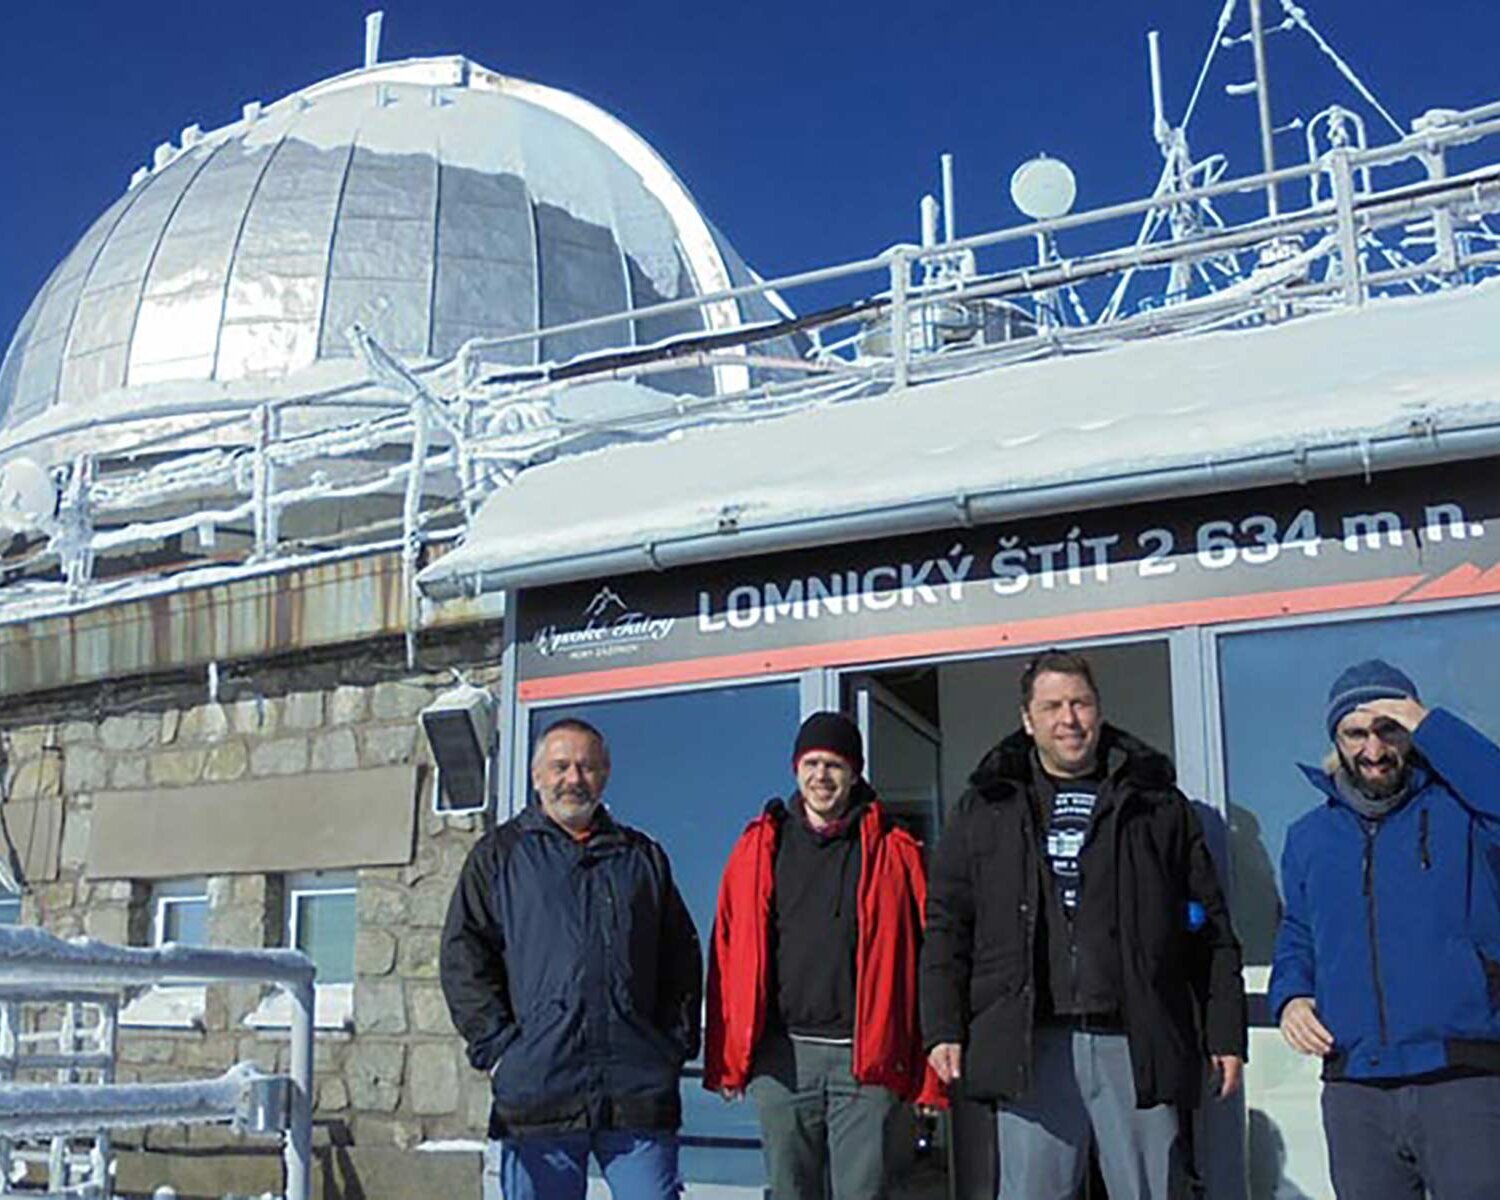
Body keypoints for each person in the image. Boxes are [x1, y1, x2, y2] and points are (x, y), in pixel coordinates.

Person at [921, 649, 1246, 1200]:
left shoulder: (1156, 804)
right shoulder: (986, 806)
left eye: (1080, 703)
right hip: (1030, 1042)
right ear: (1028, 720)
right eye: (1051, 706)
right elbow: (948, 925)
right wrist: (942, 1026)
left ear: (1099, 710)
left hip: (1136, 1037)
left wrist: (1224, 1032)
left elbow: (1210, 930)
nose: (1068, 719)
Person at [440, 718, 702, 1200]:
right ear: (538, 775)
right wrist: (498, 1048)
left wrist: (673, 1042)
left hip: (636, 1090)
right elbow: (464, 956)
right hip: (540, 1092)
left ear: (605, 775)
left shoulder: (641, 857)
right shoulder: (500, 855)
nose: (573, 778)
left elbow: (681, 956)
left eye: (587, 767)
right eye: (560, 766)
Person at [1270, 659, 1500, 1199]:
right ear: (1337, 740)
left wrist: (1431, 723)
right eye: (1356, 733)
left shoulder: (1463, 814)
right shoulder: (1308, 837)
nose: (1373, 749)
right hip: (1356, 1088)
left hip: (1461, 1075)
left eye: (1388, 729)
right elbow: (1298, 934)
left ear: (1411, 732)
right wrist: (1292, 996)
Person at [703, 711, 943, 1200]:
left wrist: (930, 1069)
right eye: (811, 763)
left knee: (864, 1191)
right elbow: (727, 952)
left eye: (834, 764)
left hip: (867, 1060)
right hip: (782, 1059)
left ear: (854, 773)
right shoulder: (758, 847)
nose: (821, 776)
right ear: (795, 769)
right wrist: (727, 1058)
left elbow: (930, 958)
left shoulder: (895, 850)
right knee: (790, 1191)